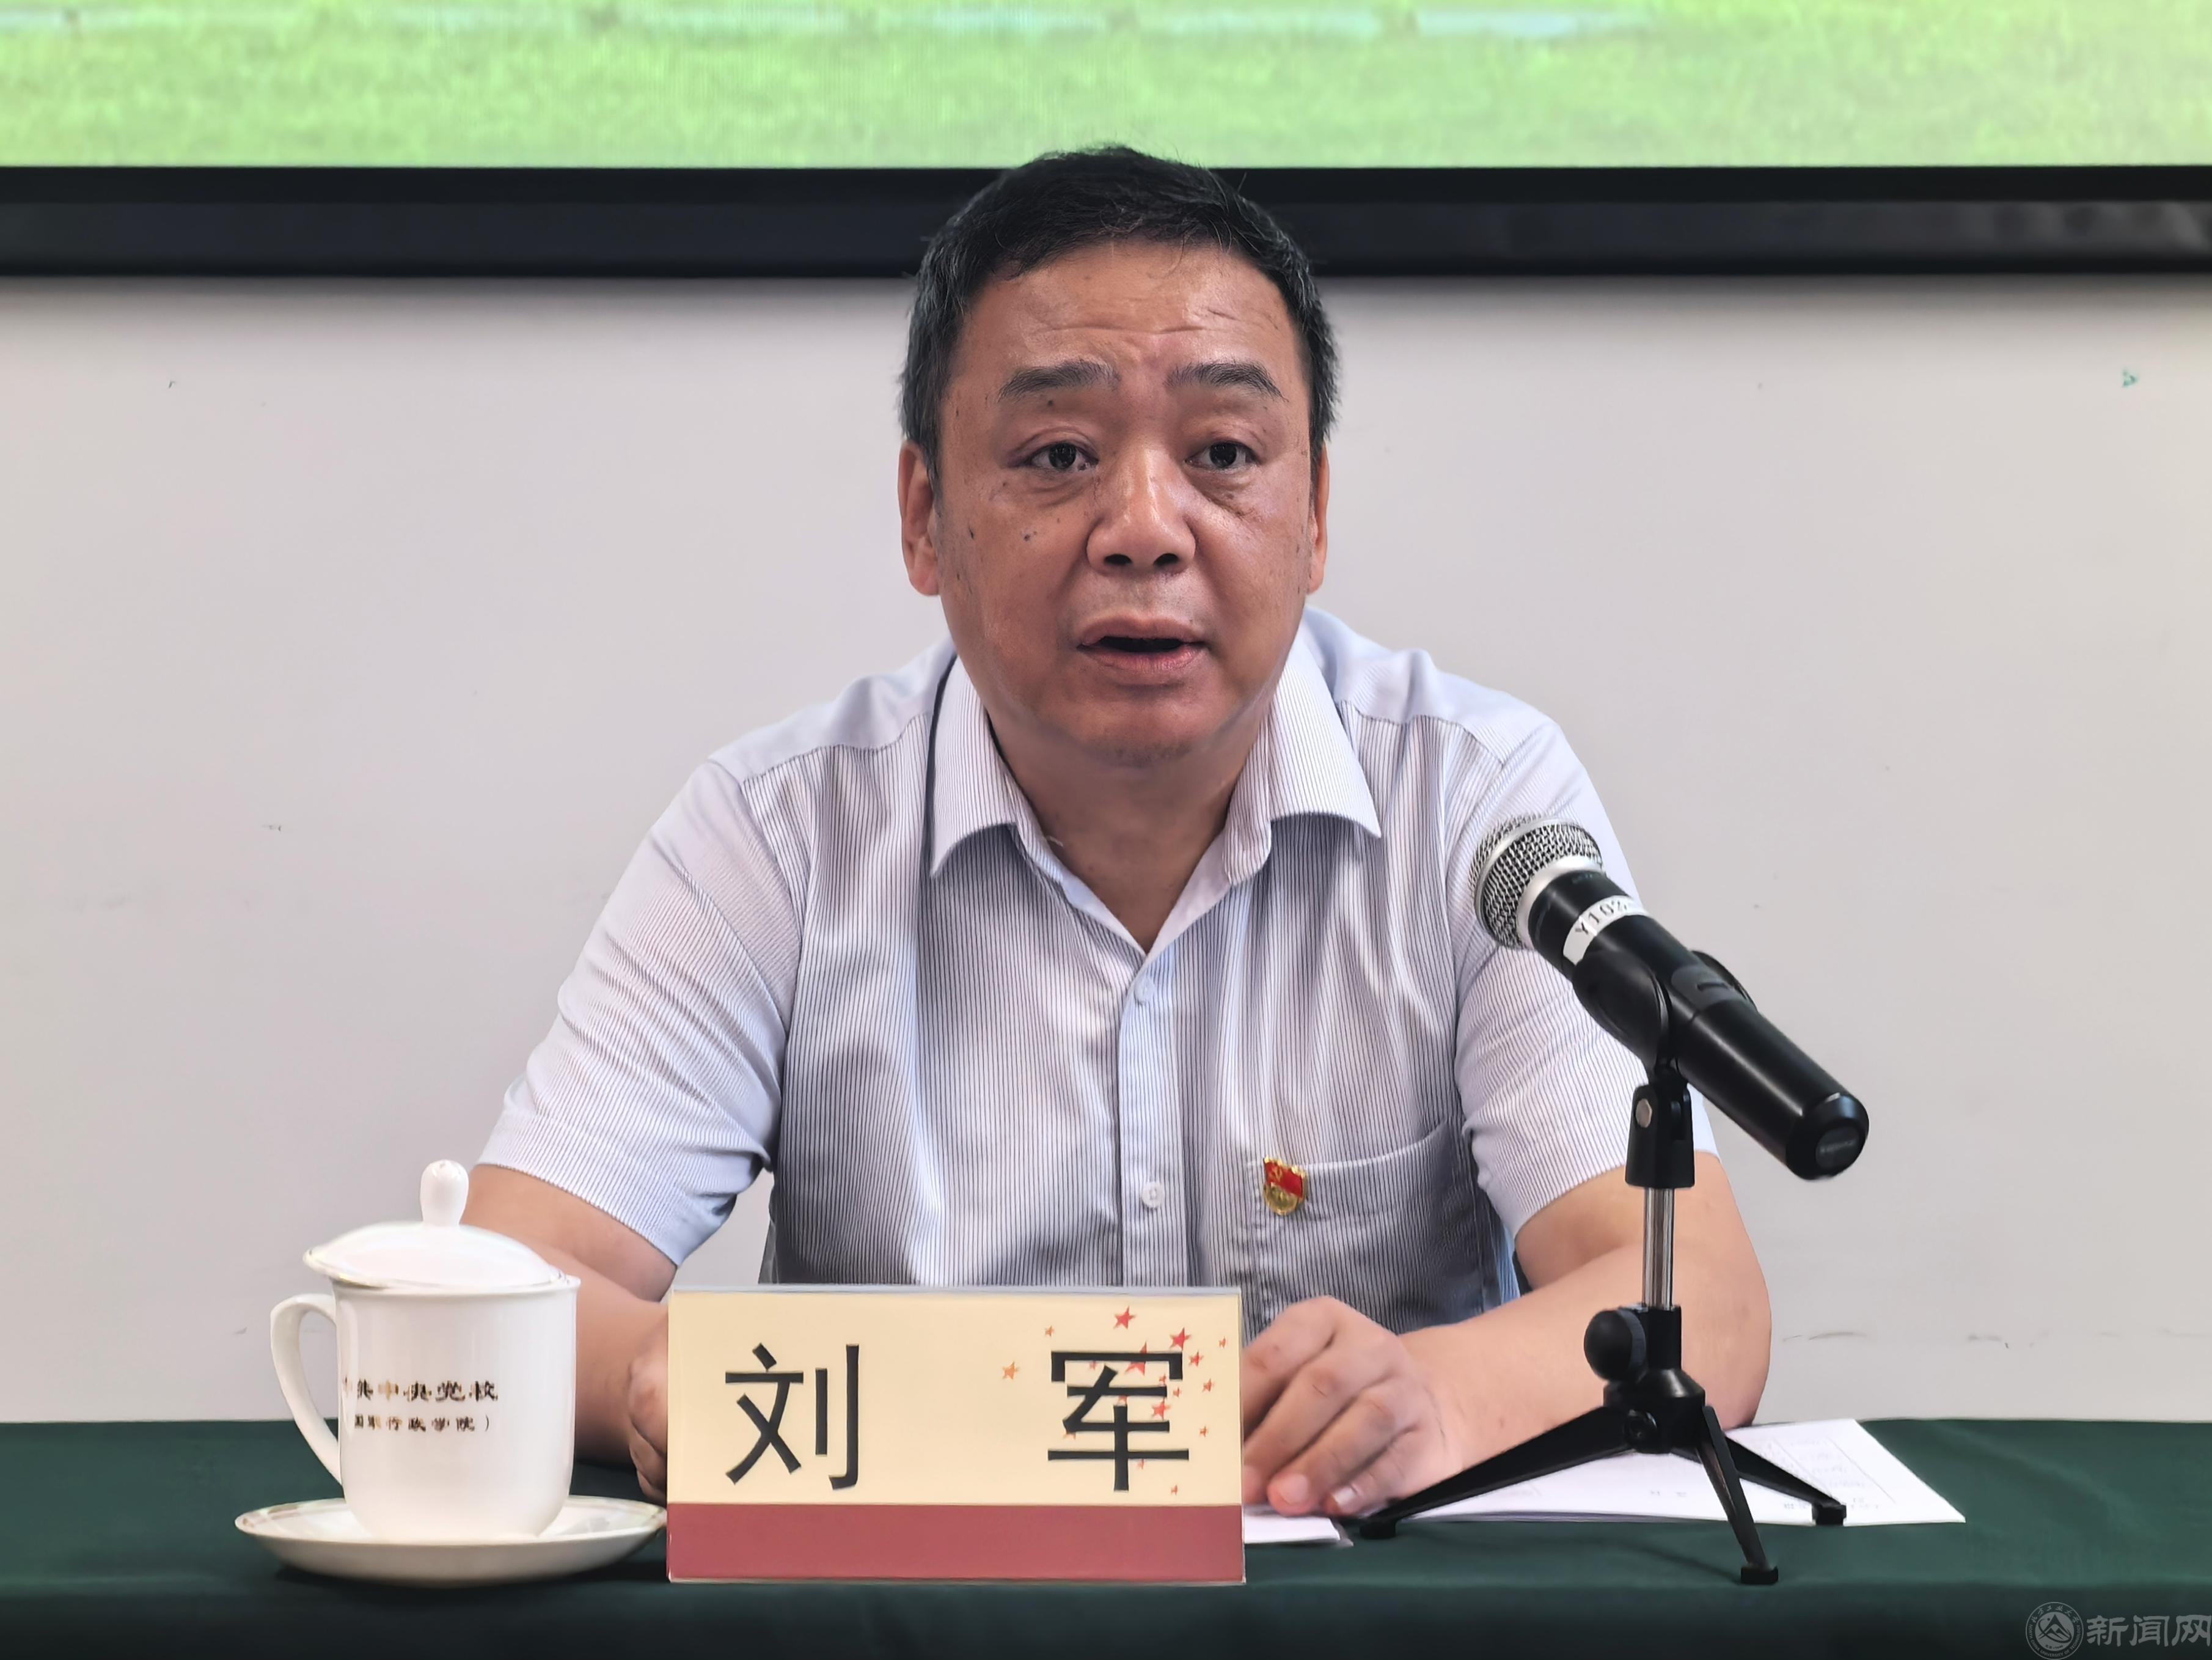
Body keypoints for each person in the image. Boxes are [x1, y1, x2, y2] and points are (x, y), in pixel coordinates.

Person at [464, 147, 1770, 1522]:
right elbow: (499, 1290)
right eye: (1058, 456)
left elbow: (1702, 1302)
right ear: (925, 517)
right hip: (914, 1613)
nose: (1146, 529)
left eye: (1224, 455)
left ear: (1314, 514)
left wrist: (1434, 1398)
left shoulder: (1475, 804)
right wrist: (654, 1372)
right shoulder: (779, 836)